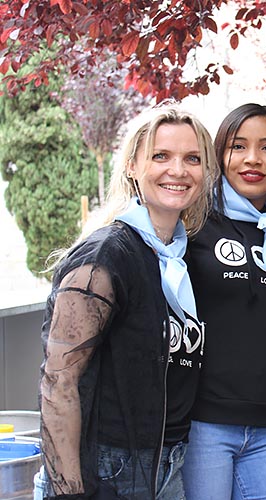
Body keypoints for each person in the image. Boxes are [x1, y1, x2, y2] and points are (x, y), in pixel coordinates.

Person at [34, 104, 218, 500]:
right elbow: (58, 381)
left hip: (170, 464)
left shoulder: (181, 258)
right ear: (133, 166)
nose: (178, 170)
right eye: (160, 156)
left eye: (192, 158)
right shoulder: (106, 255)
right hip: (110, 467)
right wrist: (70, 492)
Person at [181, 103, 266, 500]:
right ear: (220, 155)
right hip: (206, 423)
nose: (253, 159)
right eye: (238, 146)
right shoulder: (194, 222)